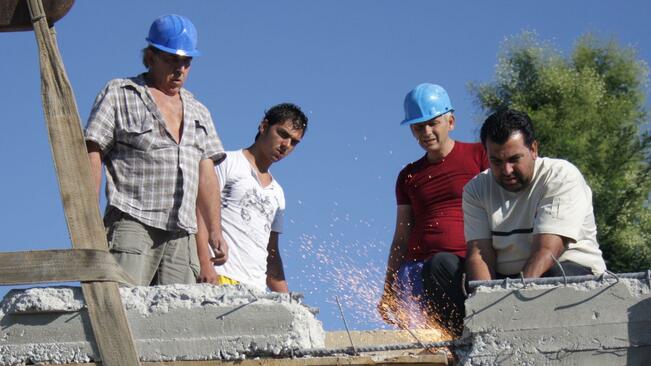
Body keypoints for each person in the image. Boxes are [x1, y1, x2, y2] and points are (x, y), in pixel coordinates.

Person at [84, 14, 228, 286]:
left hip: (182, 233)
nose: (180, 70)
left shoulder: (199, 110)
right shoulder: (120, 92)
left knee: (178, 319)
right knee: (124, 309)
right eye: (172, 60)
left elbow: (205, 172)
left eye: (186, 62)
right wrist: (87, 218)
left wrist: (214, 230)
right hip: (133, 223)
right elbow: (93, 154)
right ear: (150, 58)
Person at [378, 83, 488, 335]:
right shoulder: (408, 176)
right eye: (418, 127)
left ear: (451, 121)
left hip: (462, 270)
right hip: (415, 274)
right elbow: (402, 235)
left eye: (433, 123)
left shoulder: (479, 155)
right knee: (423, 347)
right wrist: (389, 287)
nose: (426, 131)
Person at [464, 109, 606, 282]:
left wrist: (509, 300)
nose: (507, 170)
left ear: (533, 149)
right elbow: (479, 255)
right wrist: (484, 298)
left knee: (554, 277)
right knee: (442, 266)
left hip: (567, 269)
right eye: (497, 162)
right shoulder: (476, 189)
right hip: (506, 281)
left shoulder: (560, 175)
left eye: (514, 159)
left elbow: (546, 251)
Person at [196, 103, 308, 292]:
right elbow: (199, 213)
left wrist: (288, 300)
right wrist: (204, 263)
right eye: (282, 134)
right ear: (264, 126)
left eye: (294, 142)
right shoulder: (227, 162)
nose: (286, 145)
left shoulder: (277, 193)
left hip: (255, 289)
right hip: (220, 276)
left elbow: (272, 253)